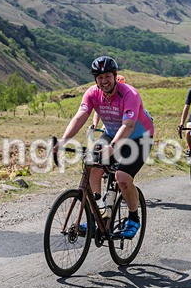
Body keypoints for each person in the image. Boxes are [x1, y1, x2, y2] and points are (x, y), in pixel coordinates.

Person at [58, 56, 154, 239]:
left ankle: (133, 218)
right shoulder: (92, 93)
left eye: (107, 76)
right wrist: (64, 140)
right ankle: (98, 215)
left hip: (139, 138)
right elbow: (80, 116)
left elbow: (128, 126)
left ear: (115, 76)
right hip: (111, 134)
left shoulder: (129, 94)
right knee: (93, 166)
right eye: (100, 77)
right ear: (95, 79)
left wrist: (112, 147)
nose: (104, 81)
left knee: (122, 178)